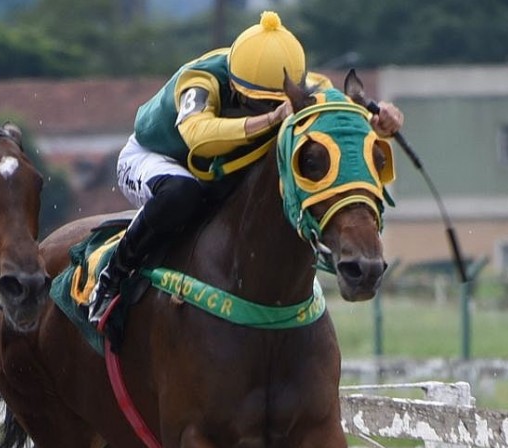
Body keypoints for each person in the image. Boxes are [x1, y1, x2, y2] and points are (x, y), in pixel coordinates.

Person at [88, 10, 404, 327]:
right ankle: (114, 273)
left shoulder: (306, 86)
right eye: (261, 103)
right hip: (160, 157)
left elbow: (340, 112)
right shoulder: (200, 80)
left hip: (221, 163)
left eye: (277, 102)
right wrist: (270, 119)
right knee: (183, 193)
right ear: (237, 88)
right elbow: (198, 136)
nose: (273, 109)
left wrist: (379, 118)